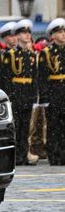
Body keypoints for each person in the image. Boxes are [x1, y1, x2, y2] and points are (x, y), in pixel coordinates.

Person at [1, 19, 37, 165]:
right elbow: (6, 77)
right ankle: (15, 156)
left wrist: (34, 97)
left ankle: (23, 154)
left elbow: (34, 78)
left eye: (28, 32)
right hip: (15, 94)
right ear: (17, 36)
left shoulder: (31, 55)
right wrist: (8, 96)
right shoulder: (10, 55)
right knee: (15, 127)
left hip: (27, 94)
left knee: (25, 127)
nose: (27, 35)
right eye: (23, 33)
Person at [38, 18, 65, 165]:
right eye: (60, 32)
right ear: (53, 35)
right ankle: (54, 155)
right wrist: (45, 97)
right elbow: (42, 77)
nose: (63, 35)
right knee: (53, 126)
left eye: (64, 32)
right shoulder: (47, 53)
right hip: (54, 92)